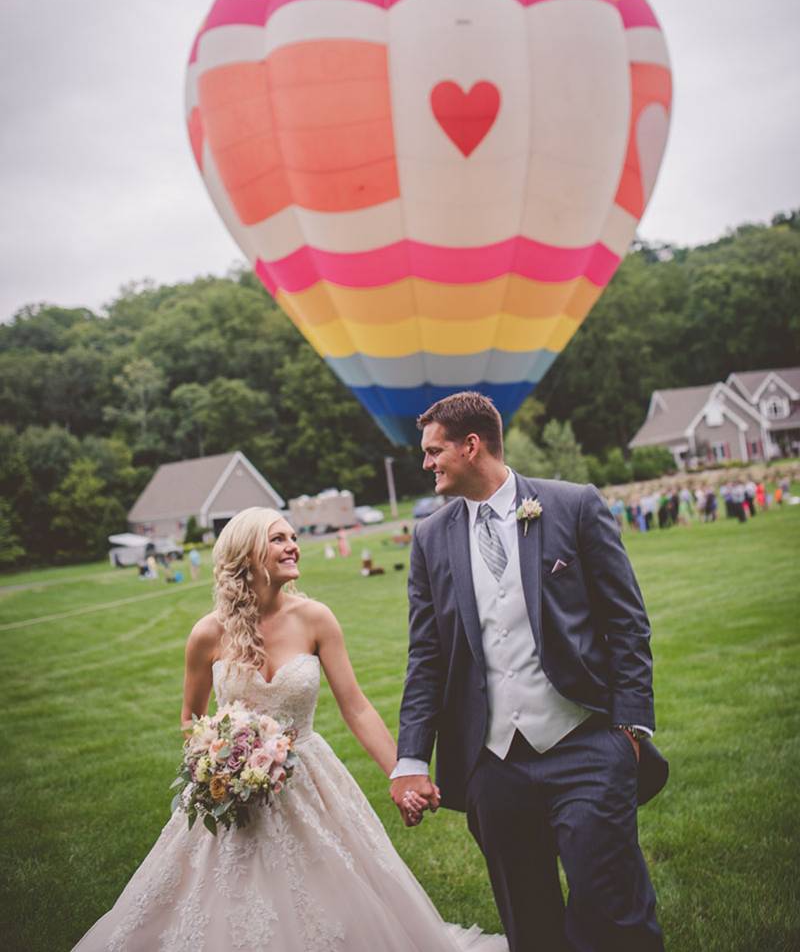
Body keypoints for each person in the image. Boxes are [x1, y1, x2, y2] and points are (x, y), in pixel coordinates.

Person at [72, 507, 505, 952]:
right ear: (247, 552)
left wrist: (402, 773)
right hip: (232, 791)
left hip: (309, 779)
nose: (293, 546)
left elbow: (356, 708)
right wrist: (220, 764)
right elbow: (191, 719)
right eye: (278, 539)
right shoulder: (207, 634)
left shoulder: (315, 618)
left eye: (293, 537)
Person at [391, 392, 667, 952]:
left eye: (434, 451)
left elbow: (627, 622)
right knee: (529, 922)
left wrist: (630, 729)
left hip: (585, 741)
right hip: (493, 764)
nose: (426, 463)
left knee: (613, 907)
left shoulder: (573, 505)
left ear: (472, 446)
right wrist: (412, 759)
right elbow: (427, 656)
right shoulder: (430, 537)